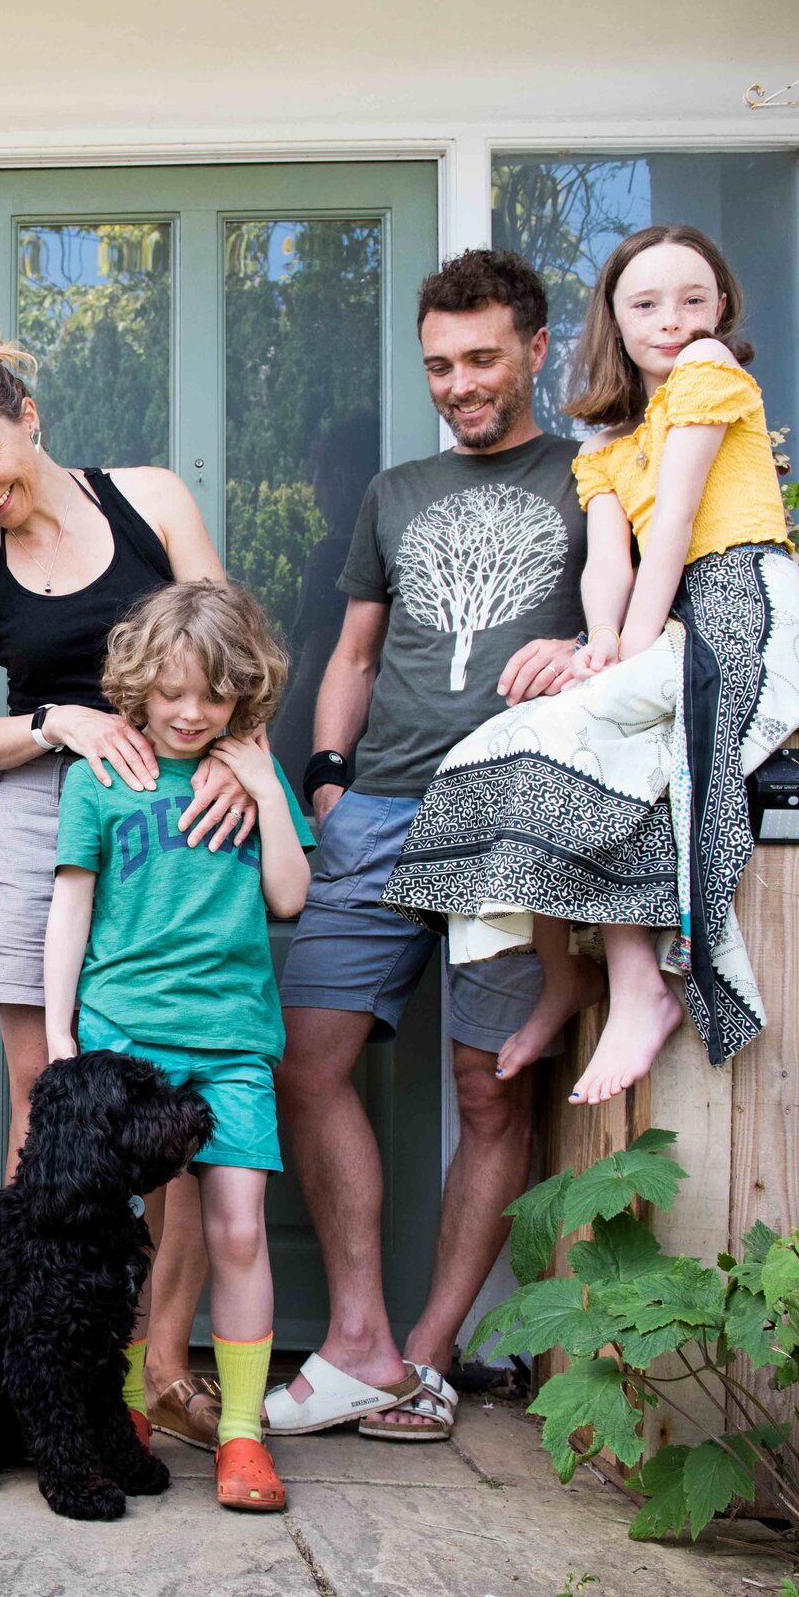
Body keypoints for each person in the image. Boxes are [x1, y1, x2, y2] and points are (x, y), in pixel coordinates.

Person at [268, 249, 595, 1442]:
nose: (457, 383)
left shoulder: (591, 474)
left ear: (535, 350)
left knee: (488, 1084)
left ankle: (424, 1352)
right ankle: (355, 1334)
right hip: (381, 805)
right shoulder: (394, 493)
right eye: (438, 365)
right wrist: (326, 779)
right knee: (306, 1058)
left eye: (480, 360)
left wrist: (589, 651)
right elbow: (352, 653)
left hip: (510, 805)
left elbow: (634, 618)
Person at [382, 226, 799, 1105]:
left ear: (723, 307)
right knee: (507, 746)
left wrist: (620, 651)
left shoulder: (709, 377)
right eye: (646, 304)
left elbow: (675, 528)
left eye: (694, 300)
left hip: (738, 606)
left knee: (592, 739)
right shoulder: (607, 446)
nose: (673, 321)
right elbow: (608, 561)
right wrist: (599, 644)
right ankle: (602, 979)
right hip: (664, 620)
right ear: (613, 323)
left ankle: (639, 988)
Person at [0, 328, 253, 1449]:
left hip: (178, 816)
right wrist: (51, 718)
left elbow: (233, 653)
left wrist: (246, 771)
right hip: (35, 815)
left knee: (176, 1093)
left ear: (29, 414)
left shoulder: (148, 499)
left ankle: (159, 1364)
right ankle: (57, 1365)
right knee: (43, 1094)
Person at [43, 581, 315, 1512]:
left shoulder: (250, 779)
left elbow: (288, 896)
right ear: (138, 687)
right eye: (171, 693)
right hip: (123, 1039)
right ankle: (124, 1410)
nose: (191, 713)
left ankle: (242, 1437)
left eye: (214, 696)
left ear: (243, 697)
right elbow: (71, 904)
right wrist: (58, 1033)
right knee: (122, 1240)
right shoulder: (101, 778)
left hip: (233, 1040)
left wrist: (267, 785)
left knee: (238, 1228)